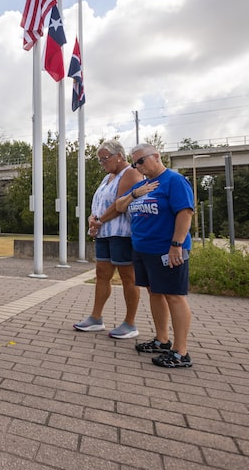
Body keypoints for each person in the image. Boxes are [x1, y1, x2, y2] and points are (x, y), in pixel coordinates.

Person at [115, 144, 194, 368]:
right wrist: (133, 194)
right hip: (143, 249)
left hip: (166, 249)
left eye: (140, 161)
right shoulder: (142, 185)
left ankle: (181, 352)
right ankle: (162, 340)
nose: (137, 166)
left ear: (157, 156)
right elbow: (120, 206)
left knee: (174, 295)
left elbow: (185, 213)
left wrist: (176, 244)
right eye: (134, 163)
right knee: (155, 292)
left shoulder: (174, 181)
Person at [74, 140, 144, 338]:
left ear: (119, 155)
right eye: (100, 160)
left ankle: (130, 323)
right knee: (101, 275)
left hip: (121, 234)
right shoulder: (107, 178)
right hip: (104, 233)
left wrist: (99, 220)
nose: (102, 163)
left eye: (105, 158)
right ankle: (96, 318)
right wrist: (92, 218)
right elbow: (98, 203)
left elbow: (119, 204)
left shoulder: (130, 173)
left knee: (128, 277)